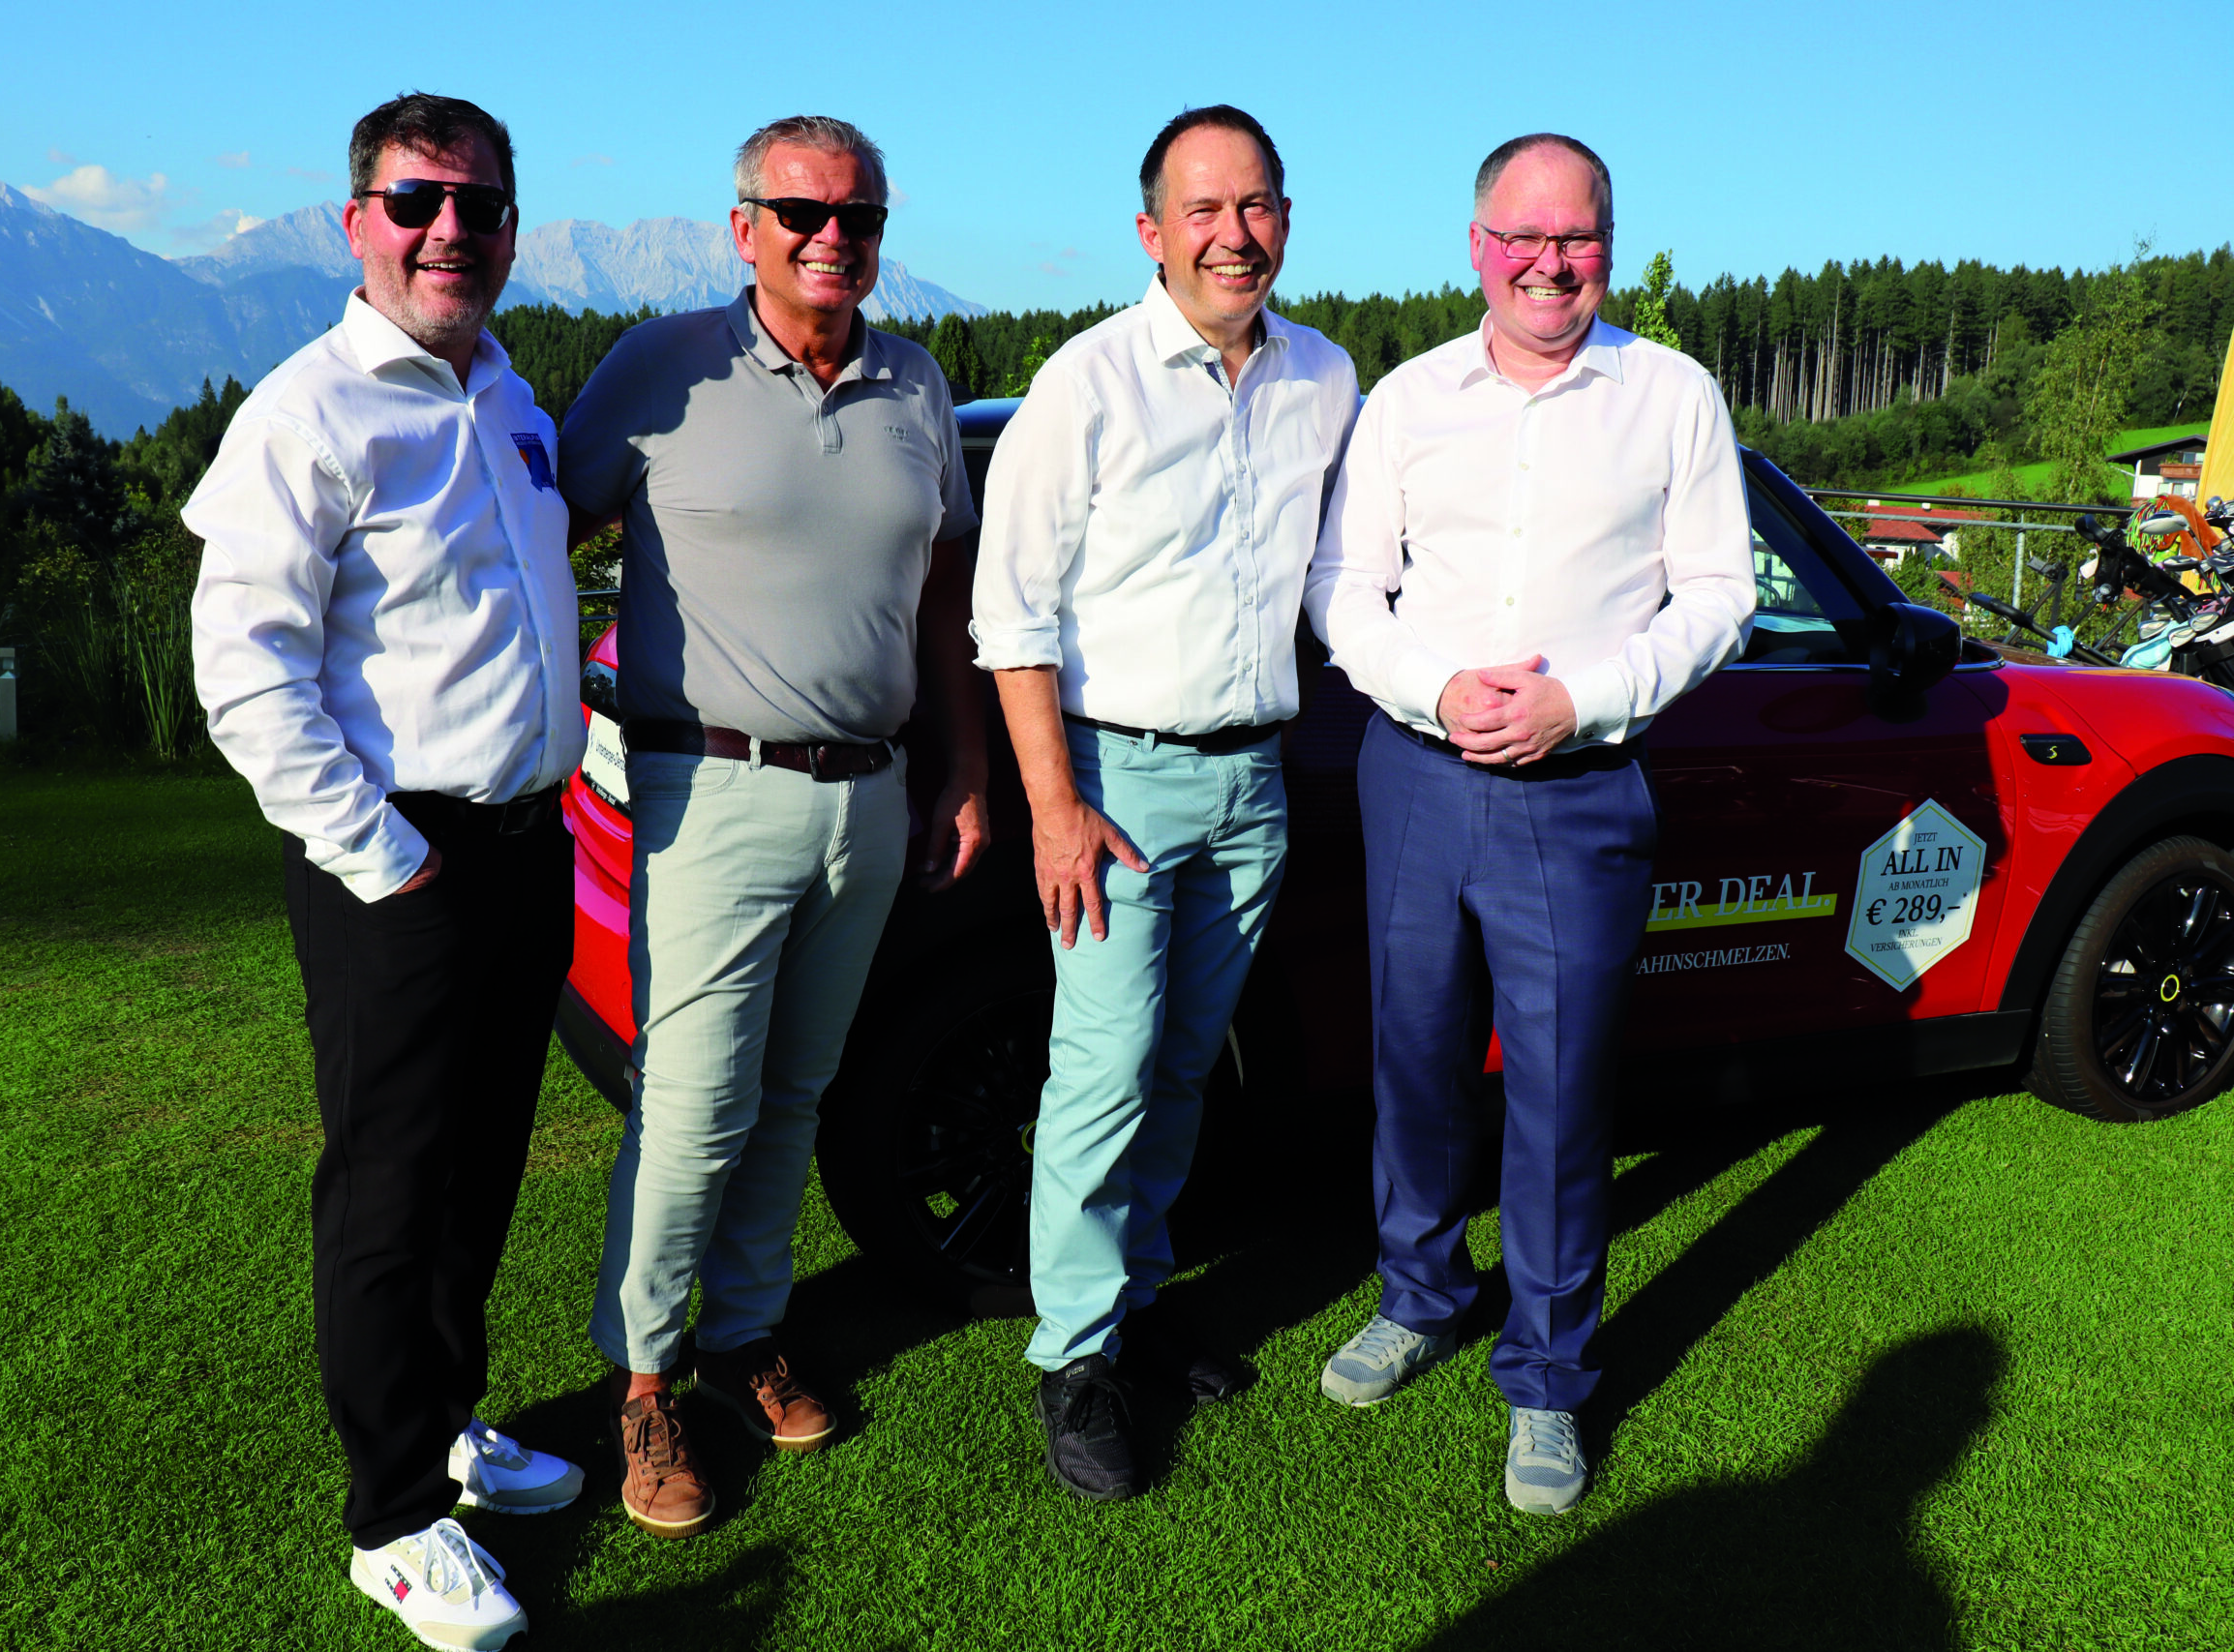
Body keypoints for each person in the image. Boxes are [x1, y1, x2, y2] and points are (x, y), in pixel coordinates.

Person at [1303, 133, 1755, 1516]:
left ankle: (1550, 1376)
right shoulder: (1405, 400)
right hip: (1417, 772)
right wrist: (1436, 685)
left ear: (1607, 244)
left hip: (1579, 787)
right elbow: (1342, 587)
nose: (1548, 264)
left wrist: (1582, 699)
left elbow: (1720, 594)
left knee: (1560, 1098)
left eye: (1576, 239)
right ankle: (1420, 1289)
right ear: (1476, 244)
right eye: (1522, 237)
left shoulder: (1672, 397)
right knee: (1416, 1057)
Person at [188, 92, 584, 1650]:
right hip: (400, 864)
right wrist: (385, 859)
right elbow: (246, 674)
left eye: (480, 205)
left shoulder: (507, 392)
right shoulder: (308, 411)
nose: (450, 231)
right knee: (387, 1184)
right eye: (418, 200)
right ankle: (394, 1517)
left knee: (480, 1164)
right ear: (356, 218)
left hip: (521, 849)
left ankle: (447, 1423)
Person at [557, 113, 986, 1539]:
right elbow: (533, 535)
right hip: (708, 791)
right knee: (688, 1113)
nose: (831, 238)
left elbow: (940, 600)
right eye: (800, 213)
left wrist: (964, 765)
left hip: (866, 793)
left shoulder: (916, 384)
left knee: (794, 1098)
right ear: (742, 225)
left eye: (856, 215)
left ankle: (744, 1338)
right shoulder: (660, 368)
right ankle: (645, 1381)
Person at [973, 105, 1360, 1503]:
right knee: (1102, 1067)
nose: (1233, 233)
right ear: (1152, 232)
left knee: (1188, 1059)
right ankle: (1074, 1357)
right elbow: (1008, 616)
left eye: (1256, 205)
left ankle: (1136, 1302)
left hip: (1254, 777)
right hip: (1116, 777)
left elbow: (1342, 577)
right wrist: (1054, 806)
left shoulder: (1326, 378)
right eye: (1204, 210)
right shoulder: (1084, 384)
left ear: (1286, 219)